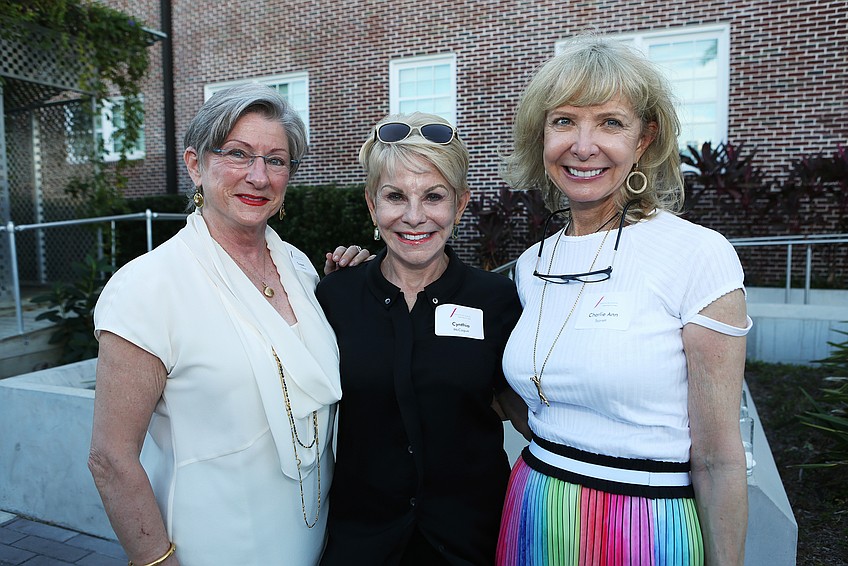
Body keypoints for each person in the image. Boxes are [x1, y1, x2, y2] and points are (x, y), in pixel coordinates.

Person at [496, 36, 752, 566]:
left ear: (644, 139)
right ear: (540, 136)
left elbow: (718, 459)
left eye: (610, 123)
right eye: (564, 121)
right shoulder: (530, 265)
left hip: (645, 523)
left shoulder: (698, 255)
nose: (583, 146)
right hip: (535, 507)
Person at [88, 83, 369, 566]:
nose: (258, 176)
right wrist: (156, 560)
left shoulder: (300, 268)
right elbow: (110, 458)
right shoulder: (148, 289)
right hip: (210, 545)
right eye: (238, 154)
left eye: (276, 160)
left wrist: (355, 290)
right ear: (196, 164)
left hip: (312, 536)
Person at [315, 112, 530, 565]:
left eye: (434, 196)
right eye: (395, 196)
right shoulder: (335, 296)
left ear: (460, 204)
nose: (415, 217)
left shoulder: (498, 300)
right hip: (362, 543)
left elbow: (527, 410)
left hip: (471, 542)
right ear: (373, 205)